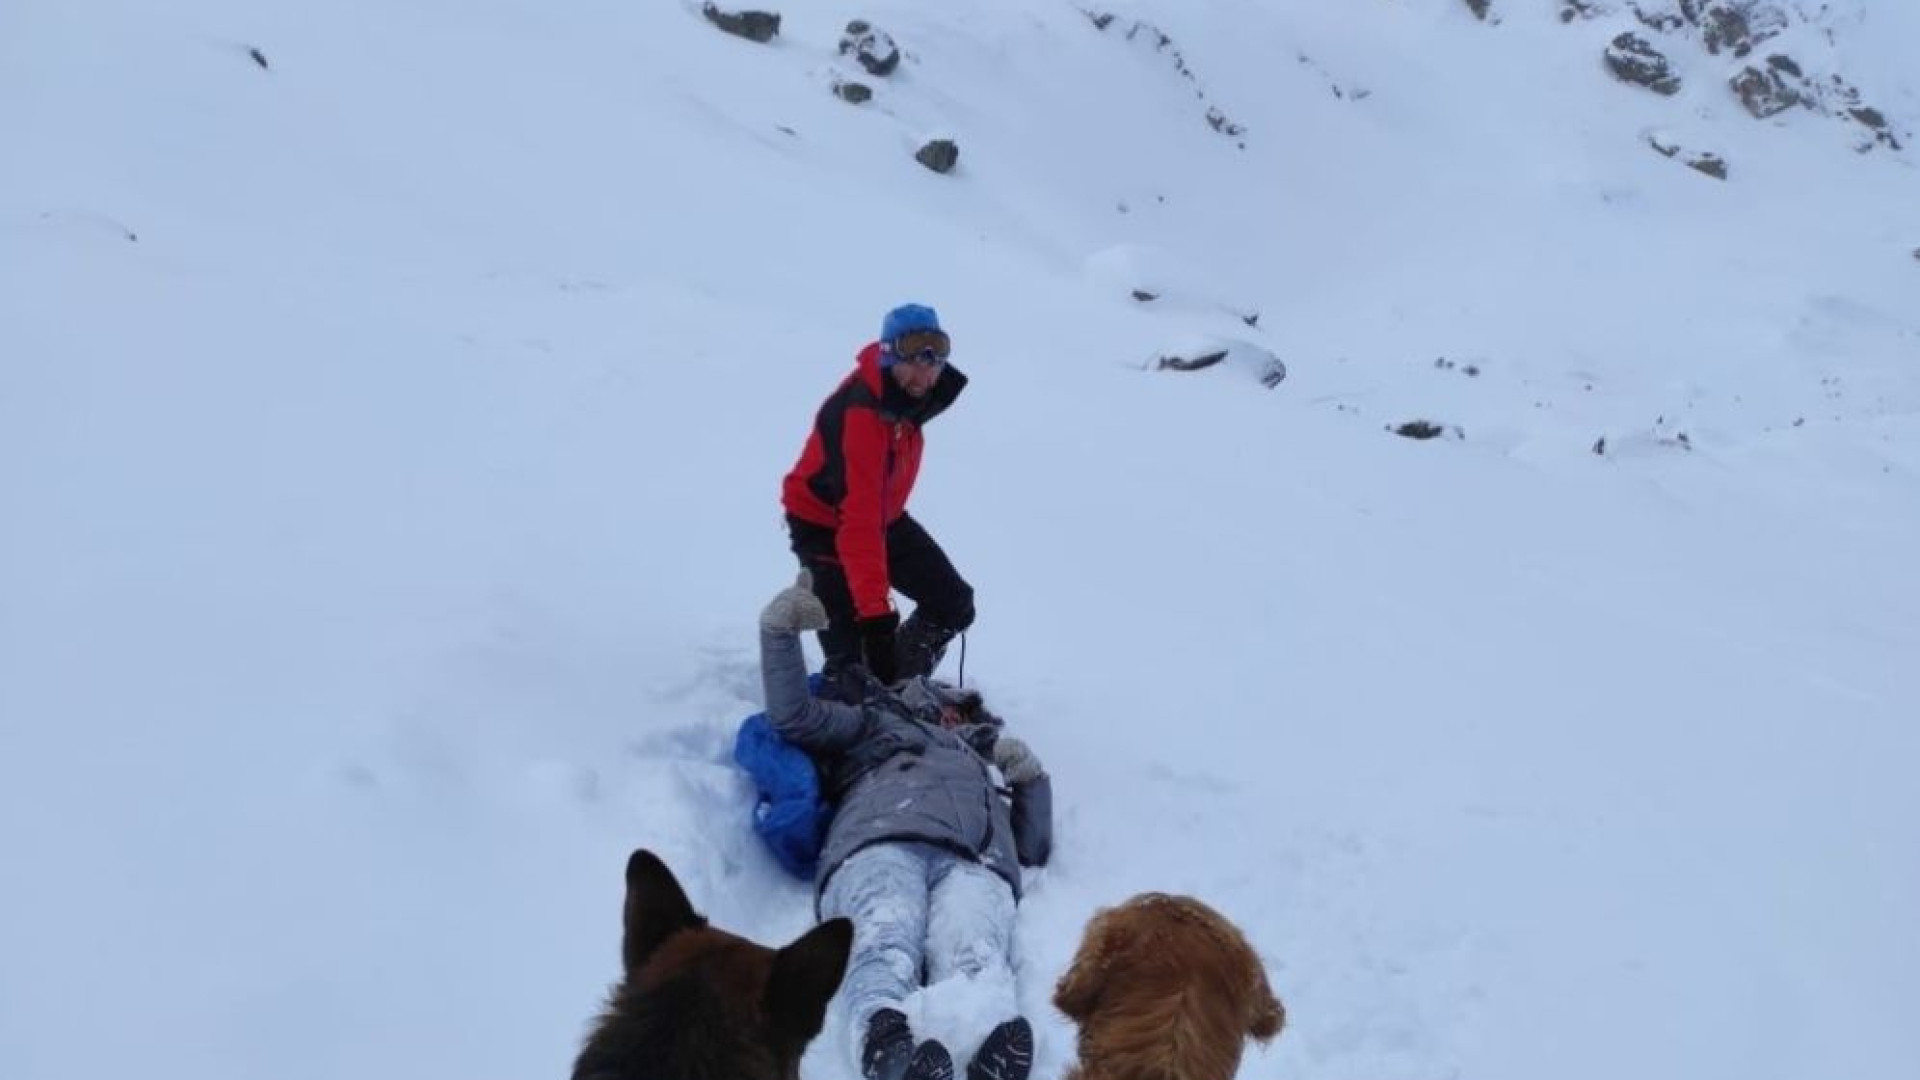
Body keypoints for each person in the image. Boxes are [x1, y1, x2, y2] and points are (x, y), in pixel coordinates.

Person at [759, 572, 1053, 1080]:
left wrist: (1029, 779)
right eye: (946, 706)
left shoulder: (980, 760)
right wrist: (779, 633)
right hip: (878, 841)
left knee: (975, 948)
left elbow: (1033, 846)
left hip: (974, 860)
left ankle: (988, 1049)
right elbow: (796, 718)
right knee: (884, 939)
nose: (953, 717)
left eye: (962, 712)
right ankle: (887, 1049)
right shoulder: (873, 723)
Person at [781, 303, 973, 687]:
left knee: (952, 602)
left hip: (882, 517)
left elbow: (872, 512)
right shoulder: (864, 414)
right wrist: (876, 619)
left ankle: (895, 688)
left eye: (937, 353)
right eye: (915, 351)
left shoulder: (908, 401)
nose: (927, 368)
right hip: (823, 524)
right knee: (850, 663)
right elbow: (858, 521)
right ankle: (861, 694)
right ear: (889, 355)